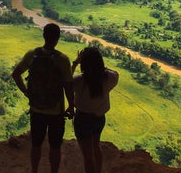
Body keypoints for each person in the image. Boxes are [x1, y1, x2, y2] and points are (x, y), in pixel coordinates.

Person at [12, 23, 74, 173]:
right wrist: (71, 106)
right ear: (58, 38)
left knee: (36, 144)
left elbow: (16, 74)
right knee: (55, 146)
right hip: (55, 112)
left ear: (44, 36)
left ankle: (34, 170)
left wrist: (27, 92)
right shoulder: (63, 59)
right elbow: (68, 87)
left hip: (36, 109)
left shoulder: (32, 54)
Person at [71, 46, 119, 173]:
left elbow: (65, 83)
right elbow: (115, 74)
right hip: (99, 119)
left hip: (83, 120)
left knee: (87, 156)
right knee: (96, 148)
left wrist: (75, 63)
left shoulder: (79, 81)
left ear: (84, 63)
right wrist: (101, 67)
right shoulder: (109, 78)